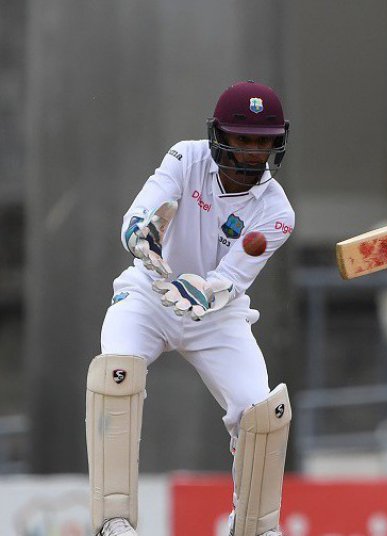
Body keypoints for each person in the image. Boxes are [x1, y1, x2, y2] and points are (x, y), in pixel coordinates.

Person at [86, 81, 295, 536]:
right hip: (149, 292)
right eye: (244, 140)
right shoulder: (185, 157)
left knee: (260, 410)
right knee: (116, 372)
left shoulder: (277, 212)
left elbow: (231, 278)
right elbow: (145, 208)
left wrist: (205, 290)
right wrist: (142, 233)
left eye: (264, 142)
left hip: (216, 316)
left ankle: (256, 525)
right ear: (219, 134)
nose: (254, 153)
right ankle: (113, 520)